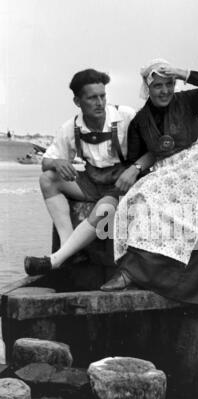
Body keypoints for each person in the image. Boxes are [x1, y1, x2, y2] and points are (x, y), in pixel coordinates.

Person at [100, 59, 198, 306]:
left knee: (153, 197)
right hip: (167, 175)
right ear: (147, 88)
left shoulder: (188, 102)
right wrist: (136, 169)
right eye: (158, 85)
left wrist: (186, 73)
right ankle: (133, 269)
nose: (164, 91)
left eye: (169, 83)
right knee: (137, 199)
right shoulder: (140, 121)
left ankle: (133, 273)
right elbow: (137, 162)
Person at [24, 68, 145, 275]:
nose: (100, 102)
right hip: (92, 181)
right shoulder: (70, 127)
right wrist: (57, 162)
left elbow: (150, 148)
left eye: (102, 96)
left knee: (103, 210)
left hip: (121, 183)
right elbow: (46, 161)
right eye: (92, 98)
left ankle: (57, 259)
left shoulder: (125, 116)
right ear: (78, 102)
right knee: (48, 179)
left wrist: (135, 169)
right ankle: (67, 247)